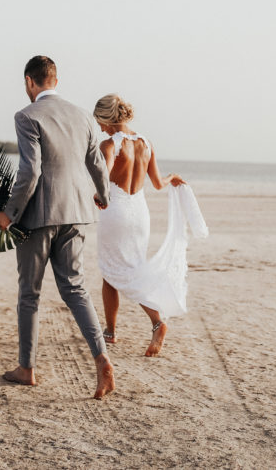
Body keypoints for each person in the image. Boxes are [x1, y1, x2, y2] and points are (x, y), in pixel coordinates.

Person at [0, 56, 116, 400]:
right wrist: (102, 196)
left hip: (38, 217)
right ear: (55, 80)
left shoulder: (27, 116)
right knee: (76, 288)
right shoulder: (82, 116)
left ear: (30, 82)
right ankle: (101, 357)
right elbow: (96, 164)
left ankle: (26, 369)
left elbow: (30, 172)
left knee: (29, 294)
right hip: (77, 212)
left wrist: (9, 213)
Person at [92, 93, 189, 357]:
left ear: (107, 119)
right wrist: (174, 177)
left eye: (100, 122)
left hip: (117, 213)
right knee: (128, 269)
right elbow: (158, 183)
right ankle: (110, 331)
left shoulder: (109, 145)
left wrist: (99, 194)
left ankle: (156, 322)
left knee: (113, 272)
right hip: (140, 214)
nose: (99, 128)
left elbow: (104, 174)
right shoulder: (146, 143)